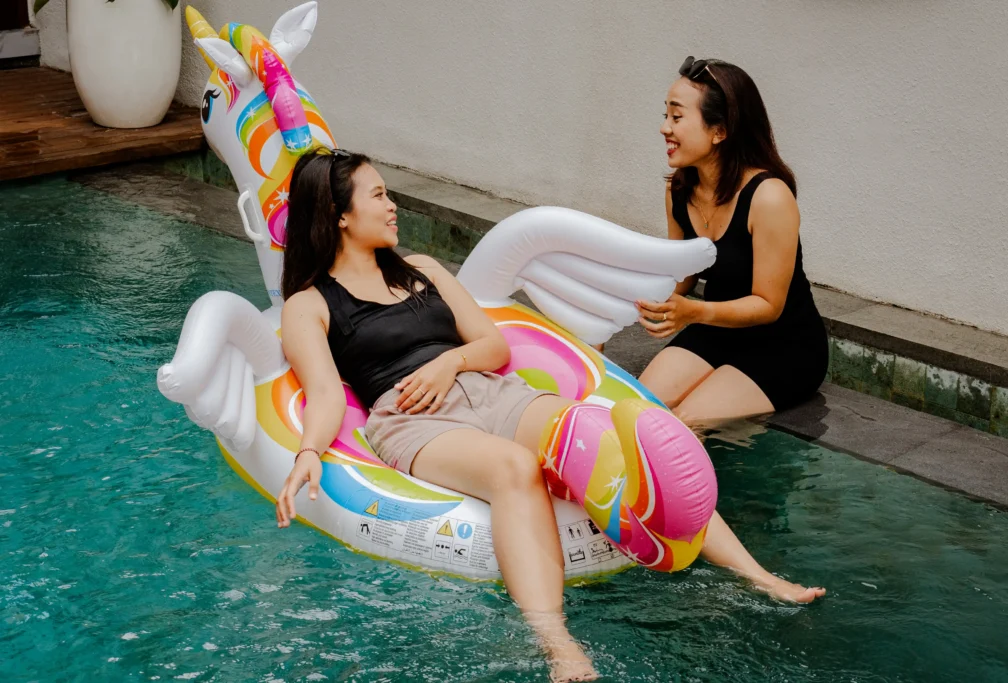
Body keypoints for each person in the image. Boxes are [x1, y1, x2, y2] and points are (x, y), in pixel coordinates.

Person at [273, 148, 825, 682]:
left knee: (612, 432)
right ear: (340, 215)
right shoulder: (310, 304)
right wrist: (308, 453)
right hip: (414, 418)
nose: (392, 204)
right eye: (378, 195)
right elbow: (324, 394)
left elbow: (492, 345)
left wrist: (448, 364)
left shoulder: (421, 270)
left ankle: (757, 576)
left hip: (492, 390)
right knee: (514, 468)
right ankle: (556, 642)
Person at [636, 57, 829, 429]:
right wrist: (621, 295)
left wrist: (692, 313)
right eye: (666, 115)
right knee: (634, 406)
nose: (664, 127)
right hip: (718, 329)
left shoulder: (769, 197)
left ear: (719, 131)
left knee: (680, 425)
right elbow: (682, 278)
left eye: (677, 117)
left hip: (783, 345)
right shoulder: (679, 188)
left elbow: (769, 306)